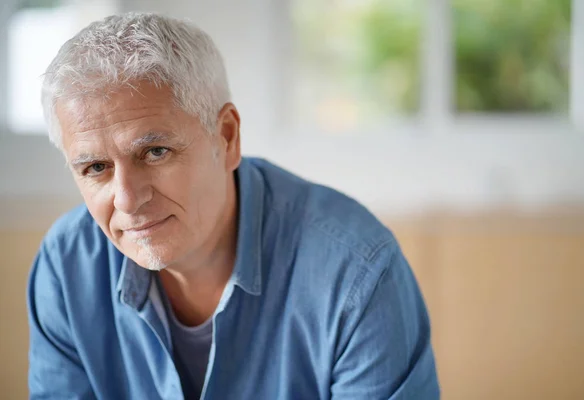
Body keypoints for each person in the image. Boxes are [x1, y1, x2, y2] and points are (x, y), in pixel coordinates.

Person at [27, 12, 440, 400]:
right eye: (96, 167)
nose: (128, 200)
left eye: (155, 152)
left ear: (226, 137)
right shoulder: (66, 267)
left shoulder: (355, 273)